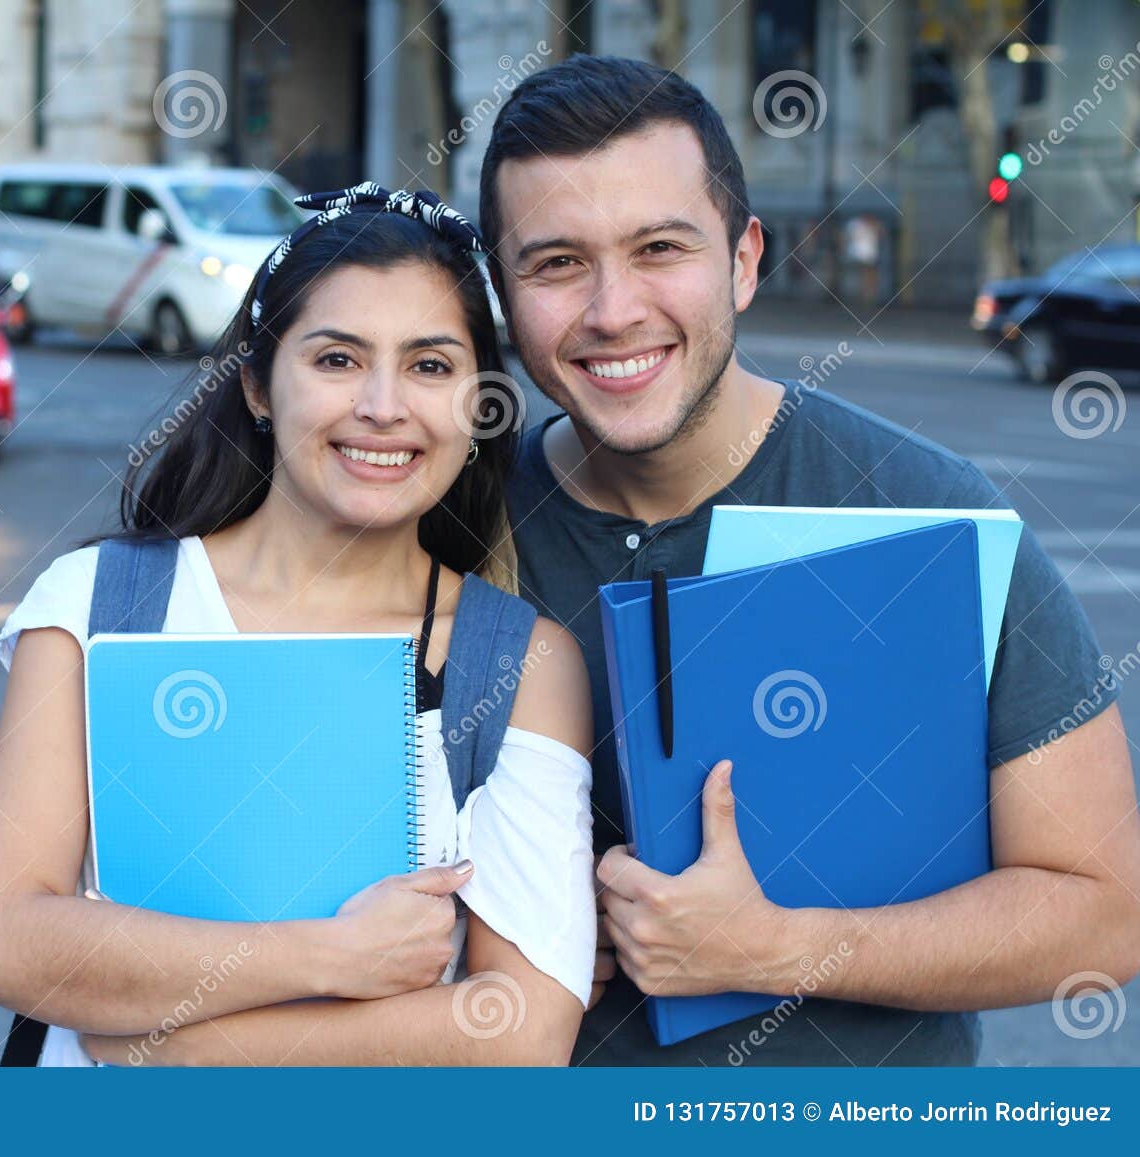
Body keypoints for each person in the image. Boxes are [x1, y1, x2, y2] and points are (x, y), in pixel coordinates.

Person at [480, 55, 1140, 1066]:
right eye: (557, 263)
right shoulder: (453, 527)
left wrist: (772, 947)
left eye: (660, 248)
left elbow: (1105, 913)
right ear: (503, 292)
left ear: (744, 260)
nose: (612, 309)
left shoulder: (928, 511)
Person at [0, 183, 597, 1066]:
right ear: (258, 385)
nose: (384, 405)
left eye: (430, 366)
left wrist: (178, 1047)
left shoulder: (517, 661)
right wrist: (328, 955)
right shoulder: (102, 604)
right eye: (337, 359)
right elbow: (1, 943)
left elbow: (523, 1029)